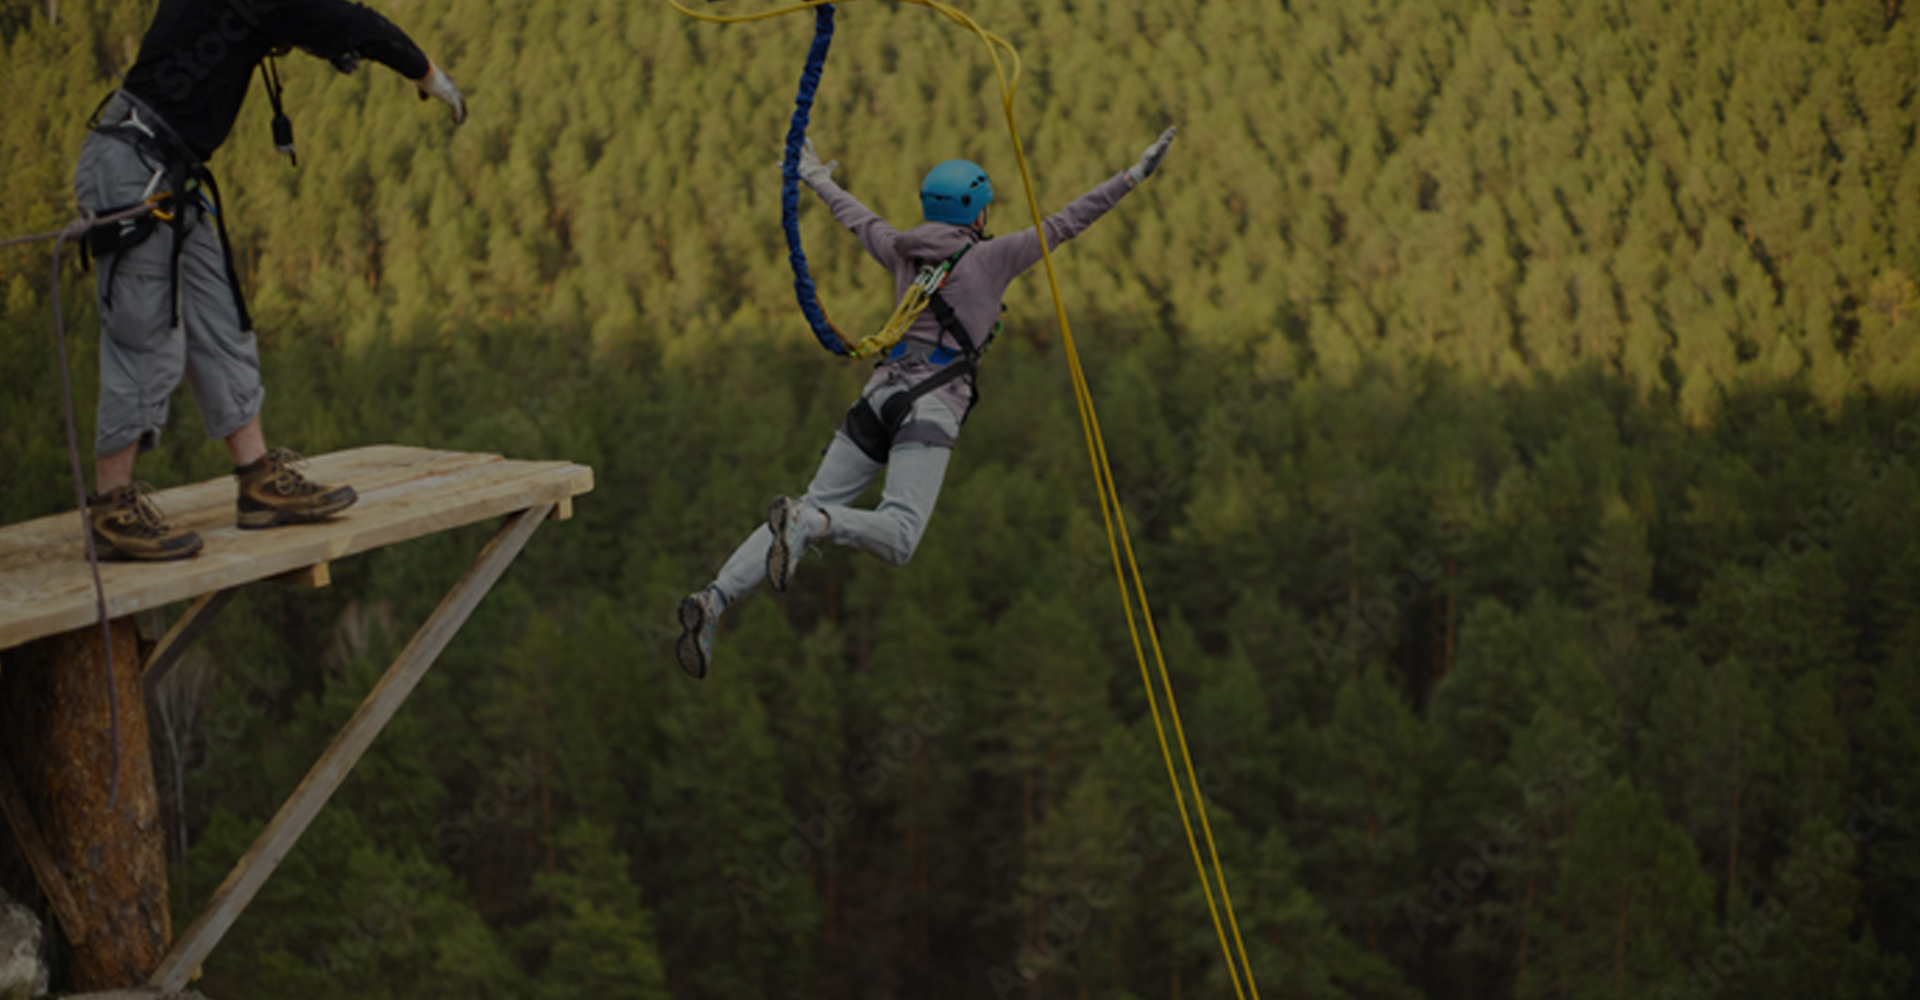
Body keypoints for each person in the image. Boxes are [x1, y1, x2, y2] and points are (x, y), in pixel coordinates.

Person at [675, 126, 1178, 678]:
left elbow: (856, 217)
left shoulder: (901, 250)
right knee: (898, 538)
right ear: (978, 213)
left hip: (880, 396)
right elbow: (1066, 222)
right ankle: (813, 523)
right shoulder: (994, 258)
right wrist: (1133, 176)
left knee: (815, 498)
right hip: (930, 404)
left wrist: (816, 178)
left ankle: (715, 598)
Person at [73, 0, 469, 561]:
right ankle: (112, 508)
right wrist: (426, 72)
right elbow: (346, 21)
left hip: (164, 170)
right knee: (147, 336)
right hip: (133, 169)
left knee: (220, 319)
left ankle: (258, 482)